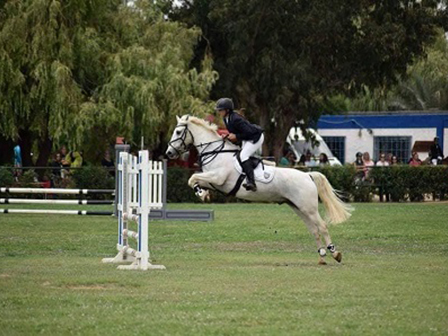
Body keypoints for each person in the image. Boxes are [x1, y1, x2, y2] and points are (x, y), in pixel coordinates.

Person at [216, 98, 264, 191]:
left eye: (220, 110)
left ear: (227, 110)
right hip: (246, 138)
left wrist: (236, 136)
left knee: (243, 156)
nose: (219, 112)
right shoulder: (226, 118)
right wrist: (228, 136)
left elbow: (249, 132)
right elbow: (235, 133)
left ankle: (252, 182)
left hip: (255, 137)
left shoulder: (236, 119)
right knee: (238, 155)